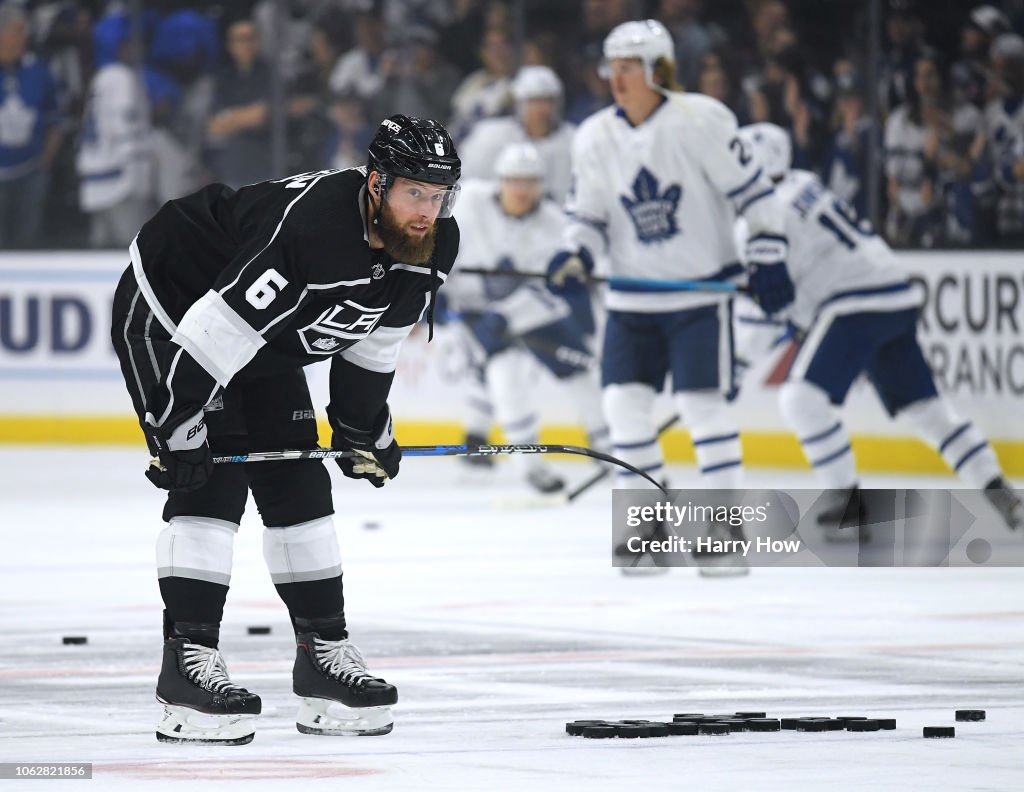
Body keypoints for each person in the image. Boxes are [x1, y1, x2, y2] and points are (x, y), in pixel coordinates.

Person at [109, 115, 461, 744]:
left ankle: (323, 657)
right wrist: (178, 424)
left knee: (300, 484)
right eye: (416, 193)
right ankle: (186, 669)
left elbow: (374, 346)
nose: (427, 211)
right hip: (175, 304)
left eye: (439, 196)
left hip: (259, 340)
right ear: (377, 184)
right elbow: (217, 331)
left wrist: (363, 431)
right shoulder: (312, 229)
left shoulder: (430, 242)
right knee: (209, 481)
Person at [547, 19, 790, 533]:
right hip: (631, 301)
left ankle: (726, 527)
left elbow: (757, 196)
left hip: (699, 297)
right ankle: (650, 523)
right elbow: (587, 219)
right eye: (612, 68)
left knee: (702, 410)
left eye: (630, 67)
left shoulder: (703, 120)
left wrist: (769, 255)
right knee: (622, 408)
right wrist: (576, 257)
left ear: (660, 68)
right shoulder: (594, 135)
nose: (618, 78)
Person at [738, 122, 1021, 537]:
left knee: (801, 400)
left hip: (853, 302)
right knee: (926, 411)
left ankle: (846, 501)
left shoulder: (763, 217)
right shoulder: (804, 184)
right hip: (893, 296)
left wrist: (738, 364)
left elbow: (768, 306)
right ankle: (998, 489)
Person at [445, 141, 609, 494]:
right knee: (505, 378)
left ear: (540, 185)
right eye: (514, 181)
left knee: (580, 369)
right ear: (501, 181)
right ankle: (530, 467)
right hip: (478, 308)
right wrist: (433, 290)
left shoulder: (555, 223)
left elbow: (546, 286)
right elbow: (436, 241)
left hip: (534, 313)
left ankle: (607, 447)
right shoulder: (469, 201)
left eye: (529, 182)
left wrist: (507, 313)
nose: (521, 190)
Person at [459, 65, 576, 201]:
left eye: (547, 101)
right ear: (519, 103)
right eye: (533, 101)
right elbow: (467, 181)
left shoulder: (574, 139)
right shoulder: (490, 135)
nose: (541, 109)